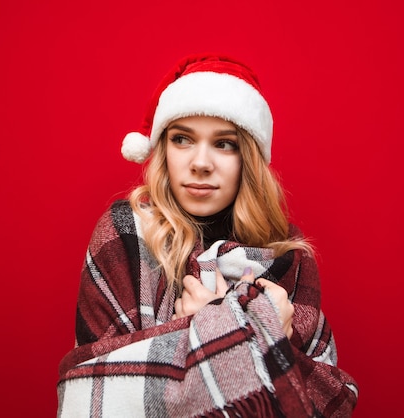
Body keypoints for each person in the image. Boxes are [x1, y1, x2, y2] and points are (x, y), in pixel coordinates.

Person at [57, 54, 358, 417]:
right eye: (182, 139)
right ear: (163, 149)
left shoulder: (288, 257)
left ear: (248, 157)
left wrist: (212, 332)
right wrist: (229, 325)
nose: (200, 162)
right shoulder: (124, 234)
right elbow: (93, 382)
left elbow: (328, 397)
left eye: (224, 143)